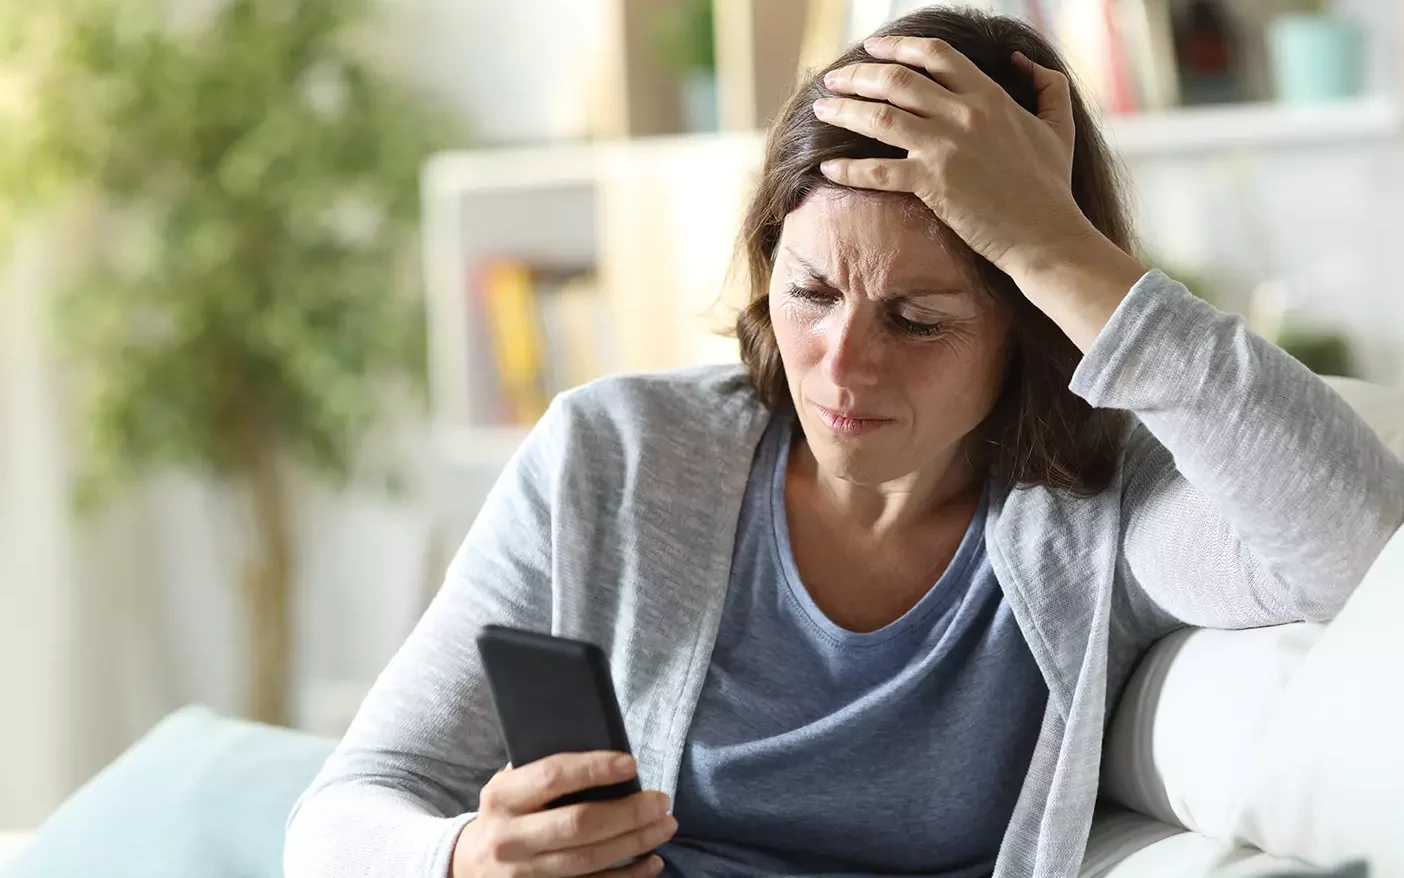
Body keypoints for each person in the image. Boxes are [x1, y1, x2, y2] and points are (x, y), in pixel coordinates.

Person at [284, 8, 1403, 878]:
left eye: (919, 321)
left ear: (1030, 325)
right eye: (810, 290)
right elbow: (346, 807)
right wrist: (462, 855)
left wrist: (1058, 244)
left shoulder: (1108, 504)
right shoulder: (611, 457)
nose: (842, 363)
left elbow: (1362, 548)